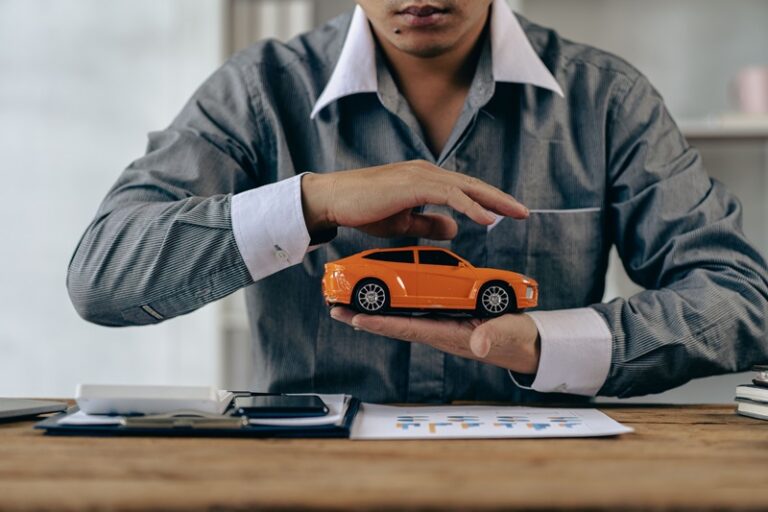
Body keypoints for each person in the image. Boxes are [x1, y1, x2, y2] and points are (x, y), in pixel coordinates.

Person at [67, 0, 768, 403]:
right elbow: (103, 278)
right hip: (307, 482)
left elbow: (741, 297)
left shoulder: (606, 99)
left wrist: (553, 342)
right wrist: (314, 202)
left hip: (544, 478)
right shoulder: (258, 93)